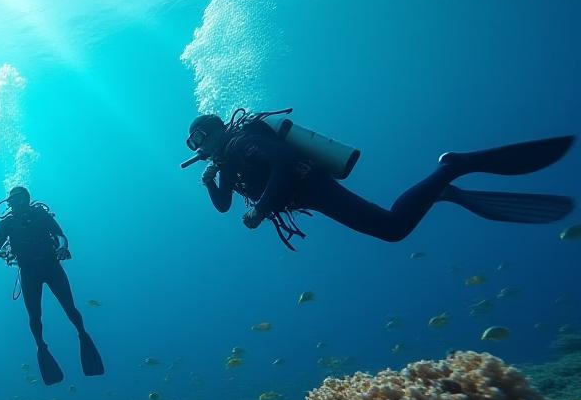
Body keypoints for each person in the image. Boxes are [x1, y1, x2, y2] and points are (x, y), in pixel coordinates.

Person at [184, 109, 574, 246]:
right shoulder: (228, 160)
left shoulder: (239, 145)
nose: (198, 146)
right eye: (193, 143)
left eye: (200, 137)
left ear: (218, 130)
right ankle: (441, 185)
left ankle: (450, 168)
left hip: (310, 187)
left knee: (392, 227)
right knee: (391, 227)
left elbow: (284, 163)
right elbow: (224, 207)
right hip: (308, 194)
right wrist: (208, 182)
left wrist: (260, 211)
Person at [0, 187, 103, 385]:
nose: (18, 205)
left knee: (70, 308)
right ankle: (40, 345)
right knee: (34, 316)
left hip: (51, 265)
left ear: (27, 199)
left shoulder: (40, 215)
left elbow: (60, 234)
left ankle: (82, 334)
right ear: (9, 204)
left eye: (21, 200)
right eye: (14, 202)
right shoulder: (6, 223)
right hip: (28, 271)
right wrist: (1, 253)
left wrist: (62, 248)